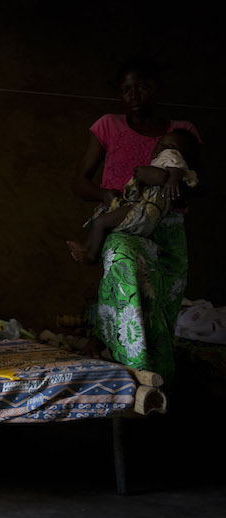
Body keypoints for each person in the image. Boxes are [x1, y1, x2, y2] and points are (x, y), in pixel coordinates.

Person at [71, 56, 202, 382]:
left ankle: (157, 379)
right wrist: (105, 194)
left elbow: (196, 185)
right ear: (119, 93)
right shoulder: (108, 126)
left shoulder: (182, 133)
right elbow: (79, 182)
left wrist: (170, 180)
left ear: (155, 88)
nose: (134, 95)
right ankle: (133, 373)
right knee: (124, 266)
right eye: (126, 89)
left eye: (142, 86)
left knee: (161, 306)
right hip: (125, 221)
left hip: (168, 228)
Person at [67, 128, 199, 264]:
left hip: (143, 212)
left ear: (183, 154)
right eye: (160, 144)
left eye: (171, 146)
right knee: (104, 215)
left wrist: (172, 180)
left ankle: (91, 257)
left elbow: (176, 169)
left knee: (101, 221)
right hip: (145, 214)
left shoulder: (171, 159)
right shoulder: (168, 165)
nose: (163, 148)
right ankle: (87, 247)